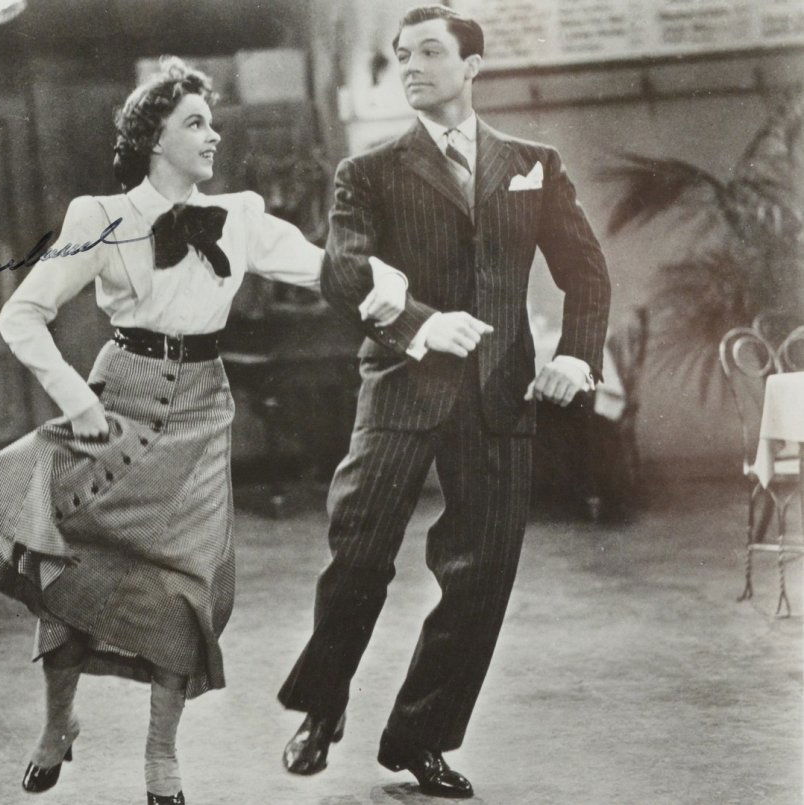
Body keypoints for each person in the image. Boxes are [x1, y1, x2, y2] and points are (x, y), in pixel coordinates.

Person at [0, 57, 408, 804]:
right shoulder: (100, 216)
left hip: (200, 413)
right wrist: (77, 400)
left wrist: (393, 287)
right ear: (155, 138)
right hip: (114, 405)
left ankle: (161, 758)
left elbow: (325, 268)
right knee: (71, 569)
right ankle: (57, 727)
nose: (213, 134)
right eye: (196, 122)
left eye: (212, 121)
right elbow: (18, 313)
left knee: (185, 589)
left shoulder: (242, 216)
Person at [278, 5, 611, 798]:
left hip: (500, 398)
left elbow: (586, 272)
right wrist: (425, 324)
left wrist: (574, 355)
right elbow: (342, 272)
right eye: (402, 55)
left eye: (431, 51)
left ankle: (420, 738)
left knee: (483, 575)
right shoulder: (368, 171)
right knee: (359, 556)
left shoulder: (534, 162)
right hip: (400, 388)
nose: (414, 64)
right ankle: (322, 706)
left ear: (472, 66)